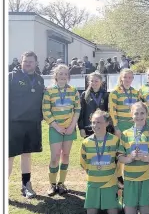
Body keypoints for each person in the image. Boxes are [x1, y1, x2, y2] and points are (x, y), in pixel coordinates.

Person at [9, 51, 45, 198]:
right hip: (13, 123)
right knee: (8, 156)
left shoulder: (39, 80)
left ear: (36, 63)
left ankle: (26, 185)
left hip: (32, 123)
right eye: (25, 61)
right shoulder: (11, 77)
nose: (27, 63)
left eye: (30, 61)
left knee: (27, 155)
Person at [42, 64, 81, 196]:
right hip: (55, 129)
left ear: (68, 76)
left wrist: (71, 126)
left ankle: (61, 183)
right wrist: (57, 127)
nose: (63, 76)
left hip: (69, 129)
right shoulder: (49, 91)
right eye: (60, 74)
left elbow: (77, 109)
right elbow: (46, 111)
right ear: (56, 76)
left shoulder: (74, 90)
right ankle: (52, 185)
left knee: (65, 156)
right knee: (55, 157)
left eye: (65, 74)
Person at [119, 102, 149, 214]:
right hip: (130, 178)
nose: (139, 116)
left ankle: (146, 202)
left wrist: (147, 158)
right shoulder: (125, 134)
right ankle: (125, 201)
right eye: (136, 113)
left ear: (146, 114)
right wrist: (130, 158)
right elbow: (120, 157)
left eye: (142, 113)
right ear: (131, 115)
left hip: (146, 177)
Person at [80, 110, 122, 214]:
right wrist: (92, 173)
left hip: (109, 182)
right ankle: (98, 202)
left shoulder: (115, 140)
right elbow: (83, 162)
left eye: (99, 122)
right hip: (93, 182)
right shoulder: (86, 142)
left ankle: (119, 200)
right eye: (93, 122)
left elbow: (119, 161)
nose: (95, 125)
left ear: (107, 123)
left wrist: (117, 177)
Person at [109, 69, 141, 138]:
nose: (127, 79)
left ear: (132, 79)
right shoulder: (115, 92)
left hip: (134, 124)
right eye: (125, 77)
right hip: (121, 124)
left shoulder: (136, 92)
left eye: (130, 77)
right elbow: (112, 111)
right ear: (121, 78)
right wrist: (116, 127)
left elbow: (139, 110)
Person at [78, 72, 111, 138]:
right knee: (90, 146)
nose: (94, 83)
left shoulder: (106, 94)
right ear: (89, 82)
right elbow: (81, 112)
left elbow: (108, 112)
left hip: (102, 126)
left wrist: (109, 126)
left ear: (101, 82)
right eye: (92, 81)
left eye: (96, 81)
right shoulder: (84, 94)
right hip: (88, 127)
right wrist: (81, 128)